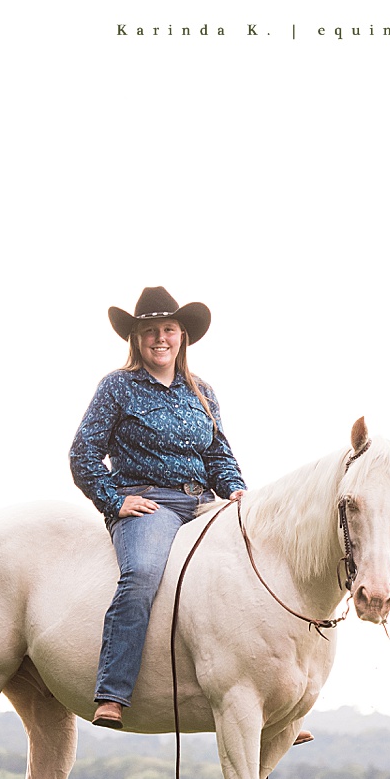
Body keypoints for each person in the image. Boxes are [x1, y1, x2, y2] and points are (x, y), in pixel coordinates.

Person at [69, 286, 246, 730]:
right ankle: (113, 692)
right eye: (150, 331)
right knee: (143, 573)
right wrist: (115, 500)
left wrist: (238, 491)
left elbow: (218, 454)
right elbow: (83, 453)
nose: (160, 338)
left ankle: (273, 697)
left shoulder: (201, 391)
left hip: (205, 501)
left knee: (253, 565)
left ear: (182, 335)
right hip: (150, 502)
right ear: (137, 338)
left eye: (168, 329)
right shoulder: (118, 387)